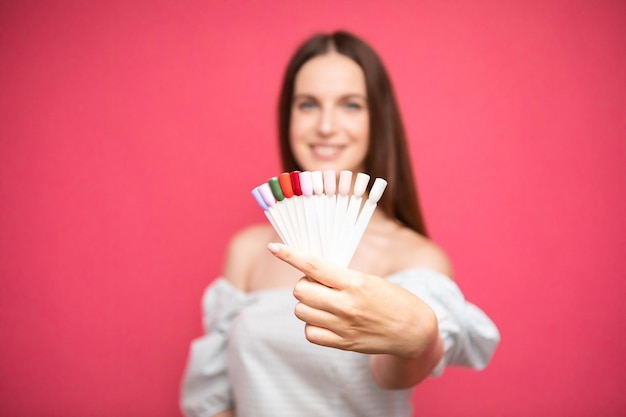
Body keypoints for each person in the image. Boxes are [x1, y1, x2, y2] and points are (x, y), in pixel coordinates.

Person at [180, 30, 499, 417]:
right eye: (308, 104)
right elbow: (213, 398)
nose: (326, 126)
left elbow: (395, 371)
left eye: (350, 105)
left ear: (377, 118)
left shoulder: (415, 257)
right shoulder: (248, 251)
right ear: (288, 116)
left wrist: (420, 337)